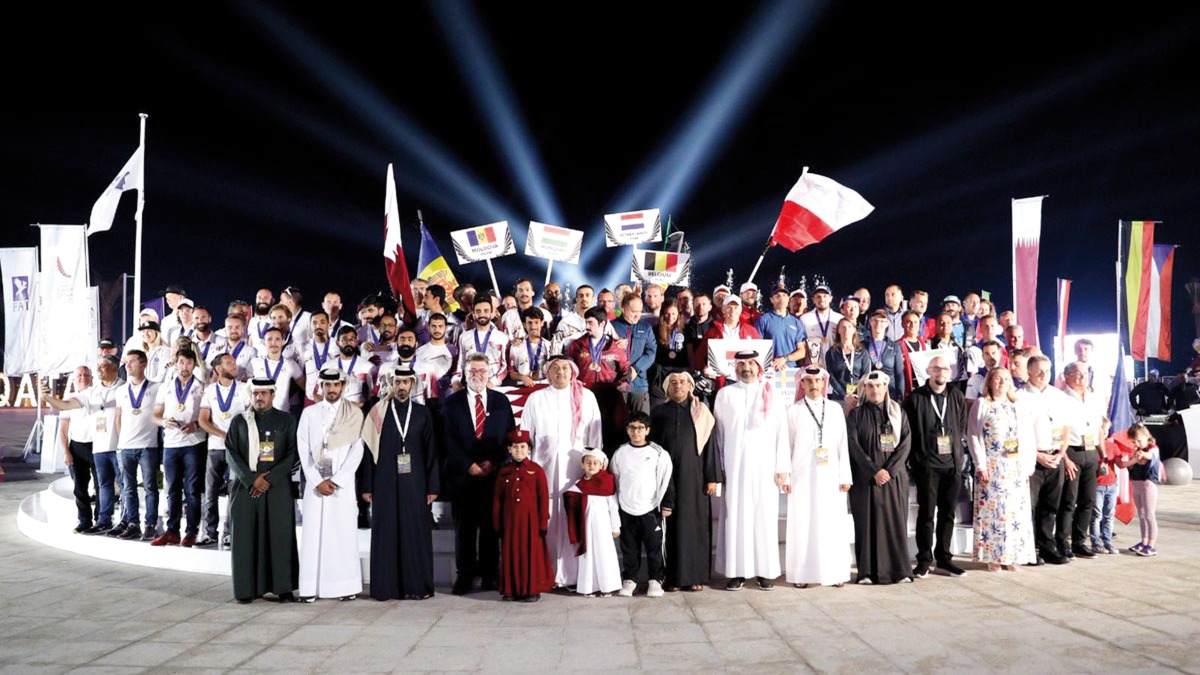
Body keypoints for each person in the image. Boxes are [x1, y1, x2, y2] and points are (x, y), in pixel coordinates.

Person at [521, 355, 603, 586]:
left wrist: (594, 465)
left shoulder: (586, 397)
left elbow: (595, 436)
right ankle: (546, 574)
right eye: (555, 368)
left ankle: (574, 575)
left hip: (576, 471)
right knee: (547, 521)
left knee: (573, 521)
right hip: (544, 471)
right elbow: (526, 435)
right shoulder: (537, 398)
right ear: (548, 373)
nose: (560, 372)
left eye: (565, 367)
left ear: (573, 371)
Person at [712, 351, 790, 591]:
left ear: (758, 367)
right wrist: (722, 467)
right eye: (742, 364)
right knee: (736, 517)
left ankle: (765, 572)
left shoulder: (772, 394)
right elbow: (719, 435)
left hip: (765, 468)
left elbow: (782, 433)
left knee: (763, 517)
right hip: (735, 467)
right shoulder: (725, 394)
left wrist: (782, 468)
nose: (746, 368)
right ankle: (737, 572)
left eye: (750, 364)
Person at [361, 367, 440, 600]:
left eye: (406, 382)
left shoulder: (423, 413)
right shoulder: (377, 411)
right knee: (386, 532)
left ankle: (417, 587)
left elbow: (432, 452)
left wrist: (432, 487)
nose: (402, 386)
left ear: (413, 384)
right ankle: (386, 588)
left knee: (414, 532)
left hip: (415, 481)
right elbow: (367, 450)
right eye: (398, 382)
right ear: (391, 384)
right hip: (383, 480)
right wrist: (367, 485)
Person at [442, 354, 515, 595]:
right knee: (464, 529)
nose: (477, 374)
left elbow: (509, 436)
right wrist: (467, 464)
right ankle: (465, 576)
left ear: (489, 372)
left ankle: (489, 575)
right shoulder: (451, 403)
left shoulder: (501, 401)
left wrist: (493, 462)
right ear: (465, 372)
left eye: (482, 370)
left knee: (490, 527)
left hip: (492, 475)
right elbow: (446, 439)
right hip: (462, 477)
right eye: (473, 370)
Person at [224, 378, 300, 603]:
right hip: (246, 488)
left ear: (273, 395)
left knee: (280, 537)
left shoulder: (286, 420)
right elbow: (231, 453)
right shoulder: (240, 421)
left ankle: (284, 588)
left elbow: (292, 453)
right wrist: (251, 479)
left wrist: (270, 478)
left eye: (264, 393)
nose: (259, 397)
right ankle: (246, 590)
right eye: (255, 393)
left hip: (277, 488)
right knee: (245, 538)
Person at [297, 367, 365, 601]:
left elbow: (358, 450)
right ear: (321, 387)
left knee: (342, 534)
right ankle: (310, 589)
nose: (332, 389)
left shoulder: (354, 414)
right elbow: (303, 448)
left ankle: (344, 587)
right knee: (313, 534)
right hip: (316, 485)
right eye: (327, 385)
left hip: (341, 487)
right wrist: (317, 481)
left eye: (336, 385)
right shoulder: (309, 413)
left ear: (343, 387)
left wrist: (337, 481)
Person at [649, 372, 718, 592]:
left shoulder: (701, 412)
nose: (678, 385)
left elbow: (710, 447)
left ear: (690, 386)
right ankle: (673, 578)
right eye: (673, 383)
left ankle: (695, 576)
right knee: (670, 527)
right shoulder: (659, 412)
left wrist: (712, 478)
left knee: (694, 525)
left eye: (683, 382)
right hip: (666, 479)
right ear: (667, 388)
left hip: (695, 477)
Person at [785, 366, 852, 589]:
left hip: (831, 476)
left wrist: (845, 475)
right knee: (803, 525)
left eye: (817, 380)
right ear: (802, 385)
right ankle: (803, 574)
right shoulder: (792, 411)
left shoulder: (835, 409)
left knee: (832, 523)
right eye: (809, 381)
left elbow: (843, 445)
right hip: (802, 477)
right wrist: (785, 475)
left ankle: (834, 572)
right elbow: (787, 446)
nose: (814, 384)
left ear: (824, 384)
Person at [845, 370, 913, 585]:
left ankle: (900, 571)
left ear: (886, 388)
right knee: (865, 524)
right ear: (864, 389)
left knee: (895, 523)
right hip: (866, 479)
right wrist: (874, 470)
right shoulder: (856, 414)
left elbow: (905, 443)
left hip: (893, 479)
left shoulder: (897, 412)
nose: (875, 390)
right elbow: (853, 444)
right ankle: (866, 572)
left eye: (879, 386)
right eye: (870, 386)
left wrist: (888, 470)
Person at [903, 355, 968, 578]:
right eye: (937, 368)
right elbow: (909, 431)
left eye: (945, 369)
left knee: (948, 514)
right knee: (927, 515)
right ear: (929, 371)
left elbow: (960, 427)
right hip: (927, 466)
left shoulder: (957, 396)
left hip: (952, 465)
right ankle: (923, 560)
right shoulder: (915, 398)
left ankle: (944, 559)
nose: (941, 372)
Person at [967, 367, 1037, 571]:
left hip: (1015, 467)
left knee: (1015, 513)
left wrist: (1029, 463)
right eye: (998, 379)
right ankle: (994, 556)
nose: (1002, 383)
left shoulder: (1017, 406)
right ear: (989, 382)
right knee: (994, 512)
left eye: (1006, 379)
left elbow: (1027, 435)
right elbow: (973, 435)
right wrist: (980, 464)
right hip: (992, 466)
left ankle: (1012, 556)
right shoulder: (982, 404)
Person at [610, 411, 674, 599]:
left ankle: (655, 580)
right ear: (627, 430)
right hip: (627, 509)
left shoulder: (658, 452)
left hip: (651, 510)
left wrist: (667, 504)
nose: (635, 432)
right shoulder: (620, 452)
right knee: (629, 548)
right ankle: (630, 579)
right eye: (632, 428)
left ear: (647, 430)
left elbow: (667, 478)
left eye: (640, 428)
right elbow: (615, 479)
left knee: (654, 548)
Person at [151, 350, 208, 547]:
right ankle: (172, 531)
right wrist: (163, 421)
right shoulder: (165, 387)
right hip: (171, 444)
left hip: (193, 443)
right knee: (172, 489)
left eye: (188, 363)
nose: (184, 367)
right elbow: (155, 414)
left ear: (194, 365)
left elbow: (208, 416)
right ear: (175, 364)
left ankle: (191, 532)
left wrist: (196, 425)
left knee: (192, 490)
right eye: (181, 362)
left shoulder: (202, 388)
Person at [1020, 355, 1072, 565]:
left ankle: (1047, 548)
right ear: (1029, 372)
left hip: (1055, 457)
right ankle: (1030, 551)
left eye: (1047, 371)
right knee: (1029, 507)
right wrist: (1037, 455)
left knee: (1050, 507)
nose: (1043, 375)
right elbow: (1018, 432)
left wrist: (1060, 453)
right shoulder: (1020, 396)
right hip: (1032, 458)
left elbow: (1066, 427)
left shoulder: (1058, 395)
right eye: (1039, 371)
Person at [492, 430, 554, 602]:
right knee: (510, 553)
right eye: (515, 447)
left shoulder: (537, 471)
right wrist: (497, 523)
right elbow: (498, 499)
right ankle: (510, 590)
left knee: (530, 554)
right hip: (510, 521)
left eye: (522, 446)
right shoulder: (504, 472)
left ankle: (531, 590)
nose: (519, 450)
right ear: (509, 449)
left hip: (531, 522)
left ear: (529, 449)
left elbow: (543, 498)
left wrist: (543, 523)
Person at [197, 353, 252, 548]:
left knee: (234, 492)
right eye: (229, 363)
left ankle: (230, 533)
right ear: (219, 369)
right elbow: (203, 420)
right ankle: (210, 533)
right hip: (215, 448)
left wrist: (236, 437)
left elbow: (251, 417)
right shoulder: (210, 390)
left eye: (235, 362)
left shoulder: (245, 389)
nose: (234, 365)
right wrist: (222, 434)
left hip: (237, 450)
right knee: (210, 492)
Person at [1058, 361, 1106, 559]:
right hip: (1072, 452)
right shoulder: (1061, 398)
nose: (1081, 377)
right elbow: (1059, 431)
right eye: (1076, 373)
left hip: (1091, 452)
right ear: (1067, 376)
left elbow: (1099, 429)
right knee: (1068, 500)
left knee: (1088, 500)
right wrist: (1065, 457)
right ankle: (1063, 542)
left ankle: (1079, 541)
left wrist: (1103, 455)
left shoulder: (1095, 397)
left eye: (1084, 373)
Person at [113, 350, 162, 540]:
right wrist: (121, 440)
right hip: (125, 446)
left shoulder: (156, 387)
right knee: (128, 488)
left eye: (132, 361)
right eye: (126, 362)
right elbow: (118, 417)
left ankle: (150, 524)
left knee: (150, 487)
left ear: (143, 364)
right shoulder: (121, 390)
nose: (128, 365)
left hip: (148, 446)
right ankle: (133, 523)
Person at [563, 448, 622, 597]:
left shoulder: (607, 483)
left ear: (601, 466)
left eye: (595, 462)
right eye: (588, 462)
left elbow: (613, 506)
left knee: (604, 554)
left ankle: (607, 586)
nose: (591, 465)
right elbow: (570, 500)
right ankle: (588, 587)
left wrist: (615, 526)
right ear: (582, 465)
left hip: (603, 526)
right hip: (586, 527)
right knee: (587, 556)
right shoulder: (578, 485)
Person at [610, 293, 657, 415]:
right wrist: (613, 346)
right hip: (617, 384)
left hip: (639, 384)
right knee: (618, 426)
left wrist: (636, 368)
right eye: (633, 311)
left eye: (640, 311)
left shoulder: (646, 328)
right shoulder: (611, 327)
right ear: (623, 309)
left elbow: (651, 352)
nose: (637, 315)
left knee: (641, 424)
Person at [1120, 423, 1162, 556]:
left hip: (1148, 483)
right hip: (1137, 482)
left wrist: (1143, 454)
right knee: (1142, 514)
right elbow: (1130, 466)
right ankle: (1143, 541)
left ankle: (1151, 544)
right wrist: (1133, 458)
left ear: (1146, 436)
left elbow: (1151, 456)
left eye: (1139, 440)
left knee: (1150, 514)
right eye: (1134, 441)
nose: (1137, 443)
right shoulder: (1136, 451)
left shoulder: (1152, 448)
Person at [649, 298, 691, 409]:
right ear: (662, 313)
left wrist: (691, 369)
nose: (670, 317)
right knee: (658, 409)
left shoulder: (686, 330)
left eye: (673, 314)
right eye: (667, 313)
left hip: (680, 374)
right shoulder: (655, 330)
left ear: (679, 314)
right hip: (661, 375)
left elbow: (690, 352)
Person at [755, 285, 807, 371]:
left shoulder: (796, 322)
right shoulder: (763, 320)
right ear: (772, 299)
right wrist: (774, 362)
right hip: (770, 369)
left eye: (784, 295)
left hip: (791, 370)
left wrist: (785, 359)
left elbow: (802, 352)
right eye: (777, 296)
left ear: (788, 299)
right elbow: (756, 347)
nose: (781, 298)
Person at [1091, 420, 1120, 555]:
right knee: (1097, 515)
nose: (1105, 432)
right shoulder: (1093, 446)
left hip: (1111, 484)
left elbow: (1120, 463)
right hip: (1098, 485)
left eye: (1107, 429)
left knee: (1109, 515)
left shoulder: (1112, 446)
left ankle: (1108, 541)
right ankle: (1096, 542)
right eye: (1103, 429)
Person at [864, 311, 905, 399]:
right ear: (870, 322)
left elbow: (899, 373)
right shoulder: (863, 345)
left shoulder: (894, 346)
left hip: (890, 392)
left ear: (887, 324)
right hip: (869, 392)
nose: (878, 323)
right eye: (875, 320)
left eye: (882, 321)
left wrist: (900, 396)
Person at [507, 308, 552, 386]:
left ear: (542, 323)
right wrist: (522, 377)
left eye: (536, 322)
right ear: (524, 324)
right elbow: (511, 372)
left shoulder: (549, 346)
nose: (533, 326)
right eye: (530, 323)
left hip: (545, 386)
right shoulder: (516, 346)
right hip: (523, 386)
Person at [826, 318, 868, 403]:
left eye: (849, 327)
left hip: (859, 396)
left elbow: (866, 375)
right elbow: (831, 377)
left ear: (854, 330)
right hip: (839, 397)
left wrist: (857, 393)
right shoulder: (831, 352)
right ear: (838, 330)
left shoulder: (862, 352)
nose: (846, 330)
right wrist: (845, 395)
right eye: (843, 327)